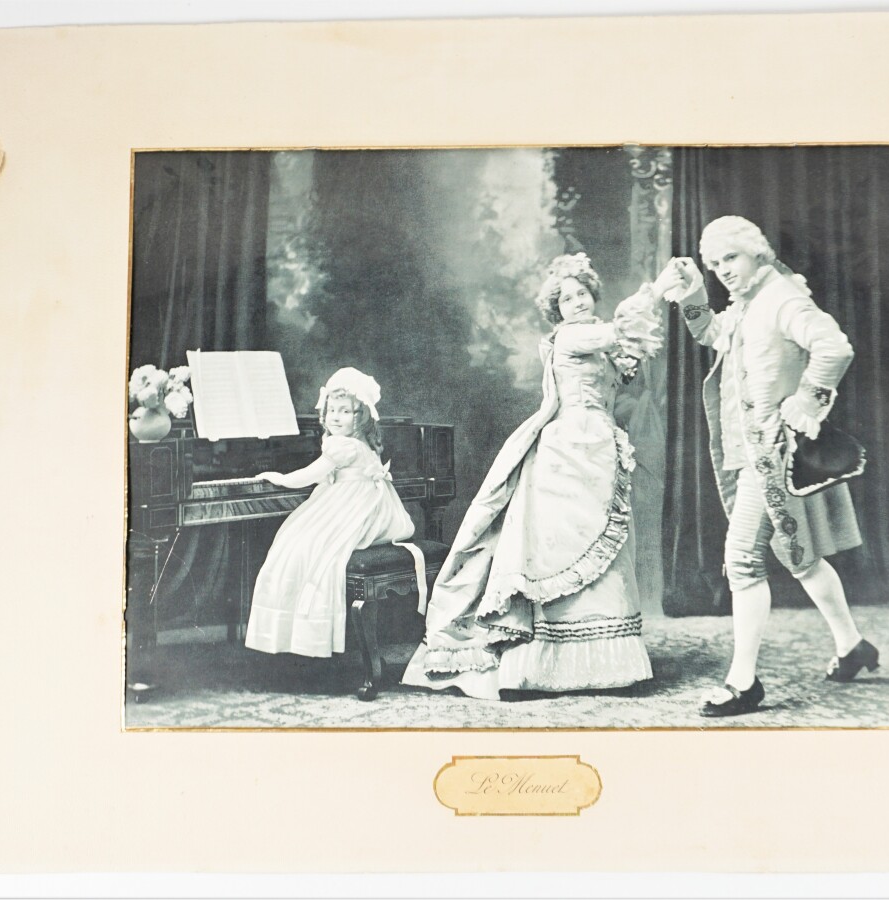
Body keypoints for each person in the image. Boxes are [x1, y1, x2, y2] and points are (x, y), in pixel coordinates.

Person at [401, 252, 681, 699]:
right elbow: (621, 330)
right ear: (557, 310)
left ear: (593, 294)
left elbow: (623, 360)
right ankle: (536, 670)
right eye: (566, 298)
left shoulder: (596, 343)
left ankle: (612, 668)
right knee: (559, 553)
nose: (577, 302)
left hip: (597, 451)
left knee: (604, 555)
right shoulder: (571, 337)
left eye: (582, 293)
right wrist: (660, 288)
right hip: (566, 453)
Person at [663, 216, 878, 717]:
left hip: (774, 455)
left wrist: (806, 402)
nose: (723, 271)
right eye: (715, 264)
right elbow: (712, 333)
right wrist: (692, 292)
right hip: (751, 454)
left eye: (731, 258)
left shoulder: (782, 298)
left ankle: (743, 683)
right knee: (799, 558)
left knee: (742, 560)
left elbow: (834, 347)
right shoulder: (747, 303)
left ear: (756, 253)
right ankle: (852, 645)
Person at [244, 368, 415, 658]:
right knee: (304, 542)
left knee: (300, 546)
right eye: (332, 410)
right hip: (374, 507)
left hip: (355, 509)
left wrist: (280, 478)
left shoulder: (343, 445)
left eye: (345, 411)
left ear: (361, 416)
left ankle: (296, 631)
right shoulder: (362, 442)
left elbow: (310, 475)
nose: (336, 417)